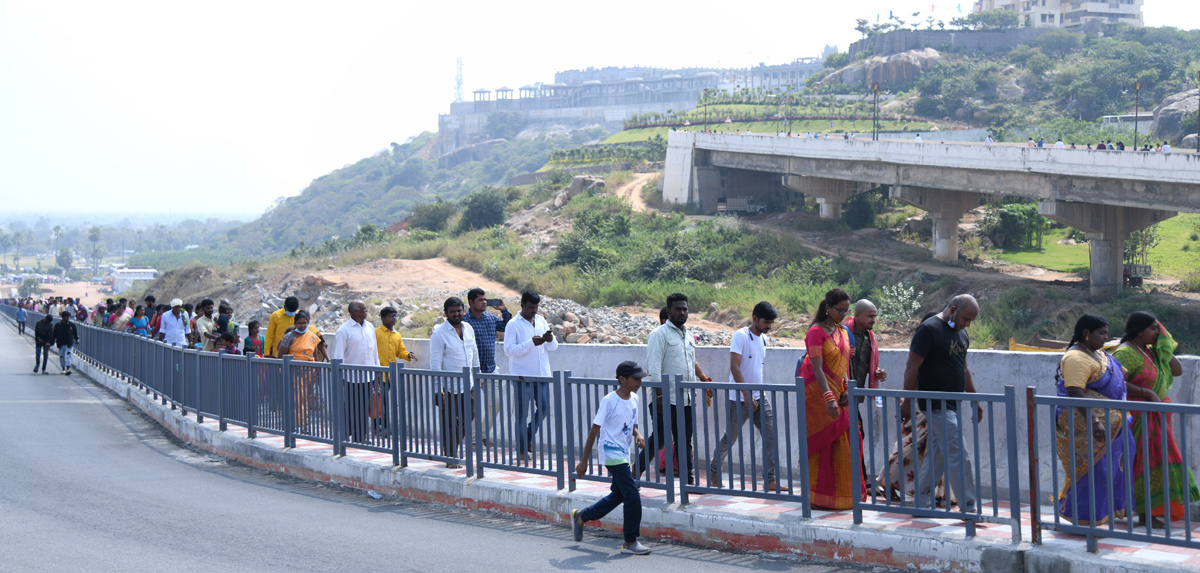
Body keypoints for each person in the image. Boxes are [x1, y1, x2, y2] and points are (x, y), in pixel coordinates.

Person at [1111, 312, 1199, 526]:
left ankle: (1153, 510)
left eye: (1157, 328)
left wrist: (1164, 343)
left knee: (1161, 461)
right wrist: (1147, 393)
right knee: (1142, 463)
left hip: (1158, 416)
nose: (1157, 332)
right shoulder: (1124, 353)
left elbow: (1177, 370)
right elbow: (1118, 383)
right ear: (1139, 331)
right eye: (1153, 329)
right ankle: (1144, 513)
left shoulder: (1151, 351)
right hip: (1137, 415)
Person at [901, 294, 982, 513]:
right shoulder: (929, 330)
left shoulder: (961, 333)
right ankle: (969, 505)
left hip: (953, 403)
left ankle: (922, 500)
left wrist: (975, 399)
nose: (968, 324)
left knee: (937, 453)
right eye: (966, 318)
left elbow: (963, 368)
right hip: (935, 403)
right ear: (953, 308)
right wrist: (907, 401)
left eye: (971, 321)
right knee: (958, 451)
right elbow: (912, 366)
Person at [1054, 314, 1130, 526]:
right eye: (1102, 333)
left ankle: (1101, 516)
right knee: (1095, 472)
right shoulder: (1075, 357)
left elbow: (1122, 376)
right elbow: (1075, 390)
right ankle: (1084, 519)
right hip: (1087, 427)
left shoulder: (1099, 354)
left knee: (1110, 470)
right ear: (1086, 333)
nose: (1106, 337)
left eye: (1106, 332)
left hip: (1113, 425)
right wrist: (1095, 421)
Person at [571, 361, 651, 556]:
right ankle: (630, 541)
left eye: (641, 378)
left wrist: (638, 435)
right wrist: (584, 461)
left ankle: (581, 517)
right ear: (622, 379)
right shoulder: (609, 400)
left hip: (624, 452)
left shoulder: (635, 399)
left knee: (619, 495)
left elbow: (630, 425)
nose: (640, 382)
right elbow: (594, 430)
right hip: (610, 451)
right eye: (636, 378)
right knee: (632, 494)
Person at [709, 301, 786, 492]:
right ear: (754, 319)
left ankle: (770, 481)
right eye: (766, 322)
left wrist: (754, 394)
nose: (769, 326)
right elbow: (734, 367)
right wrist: (746, 394)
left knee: (771, 436)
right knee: (731, 438)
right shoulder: (740, 336)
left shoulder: (764, 340)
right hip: (738, 398)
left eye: (771, 322)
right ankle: (714, 470)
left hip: (760, 397)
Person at [798, 288, 863, 509]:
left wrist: (845, 390)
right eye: (839, 310)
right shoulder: (815, 332)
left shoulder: (842, 331)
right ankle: (818, 499)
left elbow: (844, 366)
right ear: (828, 307)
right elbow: (816, 369)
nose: (844, 314)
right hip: (819, 396)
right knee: (822, 448)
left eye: (847, 310)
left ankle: (846, 498)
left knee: (846, 445)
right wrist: (829, 398)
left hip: (840, 394)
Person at [642, 293, 711, 484]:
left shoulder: (688, 335)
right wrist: (659, 398)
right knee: (660, 439)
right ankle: (635, 471)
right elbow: (654, 369)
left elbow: (691, 361)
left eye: (685, 309)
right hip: (665, 397)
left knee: (684, 440)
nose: (682, 312)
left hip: (686, 398)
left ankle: (687, 481)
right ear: (669, 311)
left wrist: (703, 378)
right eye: (678, 309)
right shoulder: (659, 335)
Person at [504, 290, 557, 461]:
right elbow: (509, 350)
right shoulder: (513, 324)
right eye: (530, 307)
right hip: (522, 377)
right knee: (521, 414)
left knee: (544, 409)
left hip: (541, 375)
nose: (534, 310)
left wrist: (550, 339)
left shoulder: (541, 320)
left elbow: (553, 347)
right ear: (522, 305)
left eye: (536, 307)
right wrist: (530, 343)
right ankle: (521, 449)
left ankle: (528, 434)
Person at [429, 297, 478, 468]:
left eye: (459, 311)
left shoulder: (469, 328)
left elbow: (474, 354)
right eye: (452, 312)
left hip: (469, 384)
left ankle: (451, 450)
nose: (456, 314)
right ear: (446, 313)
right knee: (449, 423)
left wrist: (477, 378)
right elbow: (435, 365)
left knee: (468, 417)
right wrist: (438, 392)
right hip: (449, 387)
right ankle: (450, 457)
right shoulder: (439, 334)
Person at [846, 299, 888, 487]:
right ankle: (859, 480)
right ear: (857, 315)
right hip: (842, 394)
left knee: (856, 435)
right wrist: (844, 352)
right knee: (856, 435)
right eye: (870, 316)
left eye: (875, 316)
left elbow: (867, 363)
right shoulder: (843, 334)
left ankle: (859, 479)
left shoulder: (869, 337)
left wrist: (877, 372)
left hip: (855, 396)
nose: (873, 319)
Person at [462, 288, 511, 444]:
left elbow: (507, 327)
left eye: (485, 299)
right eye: (480, 300)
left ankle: (478, 436)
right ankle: (472, 439)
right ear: (471, 302)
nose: (484, 302)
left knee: (496, 404)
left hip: (490, 369)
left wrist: (504, 310)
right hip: (472, 371)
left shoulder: (490, 318)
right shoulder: (464, 322)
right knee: (472, 409)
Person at [331, 300, 379, 444]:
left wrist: (377, 371)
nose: (366, 311)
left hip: (368, 376)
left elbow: (374, 351)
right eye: (364, 309)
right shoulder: (344, 330)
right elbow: (338, 356)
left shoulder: (370, 327)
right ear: (355, 311)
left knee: (365, 407)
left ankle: (361, 437)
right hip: (351, 377)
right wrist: (339, 377)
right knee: (352, 407)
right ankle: (347, 434)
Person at [277, 311, 328, 432]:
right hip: (293, 372)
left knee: (304, 399)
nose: (302, 326)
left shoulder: (312, 336)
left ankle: (301, 425)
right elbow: (281, 355)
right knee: (296, 400)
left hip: (308, 373)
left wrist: (317, 371)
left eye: (305, 323)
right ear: (295, 324)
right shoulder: (289, 337)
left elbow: (314, 354)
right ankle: (299, 425)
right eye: (299, 323)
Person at [375, 307, 415, 435]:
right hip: (377, 374)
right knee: (379, 401)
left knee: (385, 402)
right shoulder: (375, 333)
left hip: (390, 375)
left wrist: (408, 355)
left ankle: (383, 427)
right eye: (391, 315)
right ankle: (380, 427)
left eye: (395, 316)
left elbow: (400, 352)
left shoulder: (397, 335)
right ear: (383, 318)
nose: (394, 318)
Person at [52, 311, 79, 376]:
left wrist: (77, 340)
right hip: (60, 343)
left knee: (69, 355)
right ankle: (63, 368)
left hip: (69, 343)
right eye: (66, 317)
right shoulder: (58, 325)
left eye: (68, 317)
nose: (68, 318)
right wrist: (51, 342)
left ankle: (68, 368)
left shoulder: (71, 325)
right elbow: (54, 335)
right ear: (63, 317)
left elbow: (75, 334)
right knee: (61, 356)